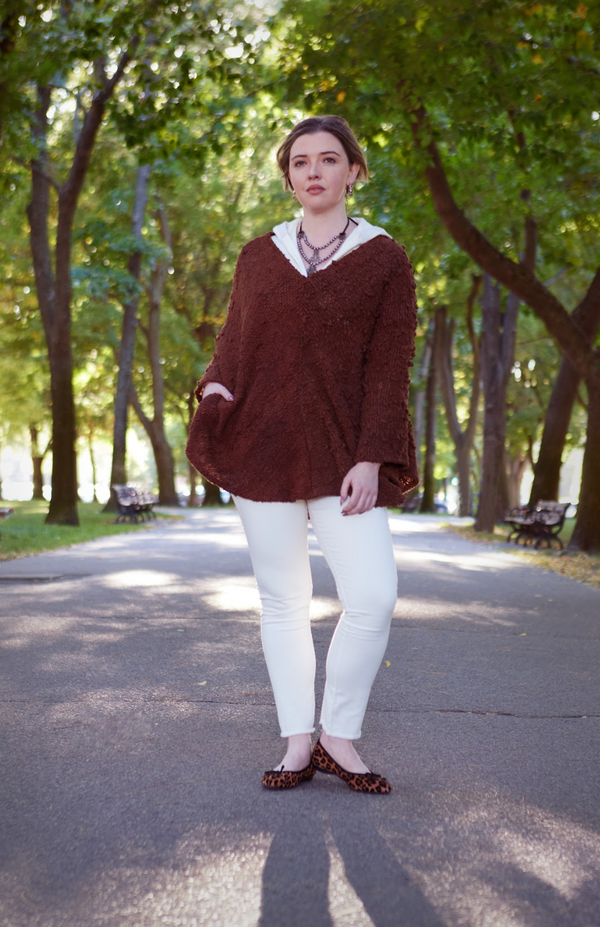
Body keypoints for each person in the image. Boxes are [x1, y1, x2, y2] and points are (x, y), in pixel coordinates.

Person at [186, 115, 418, 793]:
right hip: (262, 446)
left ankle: (338, 737)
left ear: (354, 170)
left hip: (347, 455)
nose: (313, 170)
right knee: (283, 601)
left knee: (373, 596)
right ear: (289, 177)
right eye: (299, 161)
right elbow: (235, 340)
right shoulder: (260, 255)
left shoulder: (385, 258)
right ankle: (297, 743)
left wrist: (372, 455)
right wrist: (213, 384)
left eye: (329, 158)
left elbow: (389, 366)